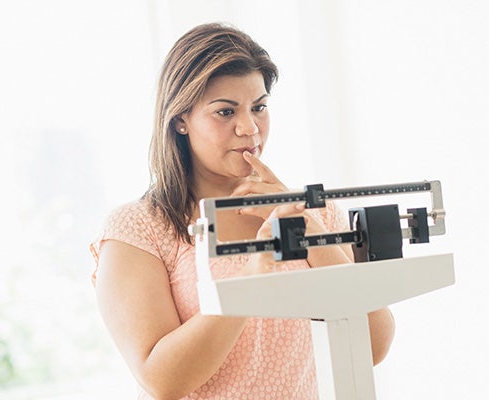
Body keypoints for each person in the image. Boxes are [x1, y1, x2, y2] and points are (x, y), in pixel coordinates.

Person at [90, 22, 395, 400]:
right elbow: (161, 379)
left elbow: (373, 346)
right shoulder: (139, 230)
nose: (249, 128)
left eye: (259, 107)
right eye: (225, 112)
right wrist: (251, 276)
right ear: (180, 119)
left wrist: (306, 226)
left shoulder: (316, 212)